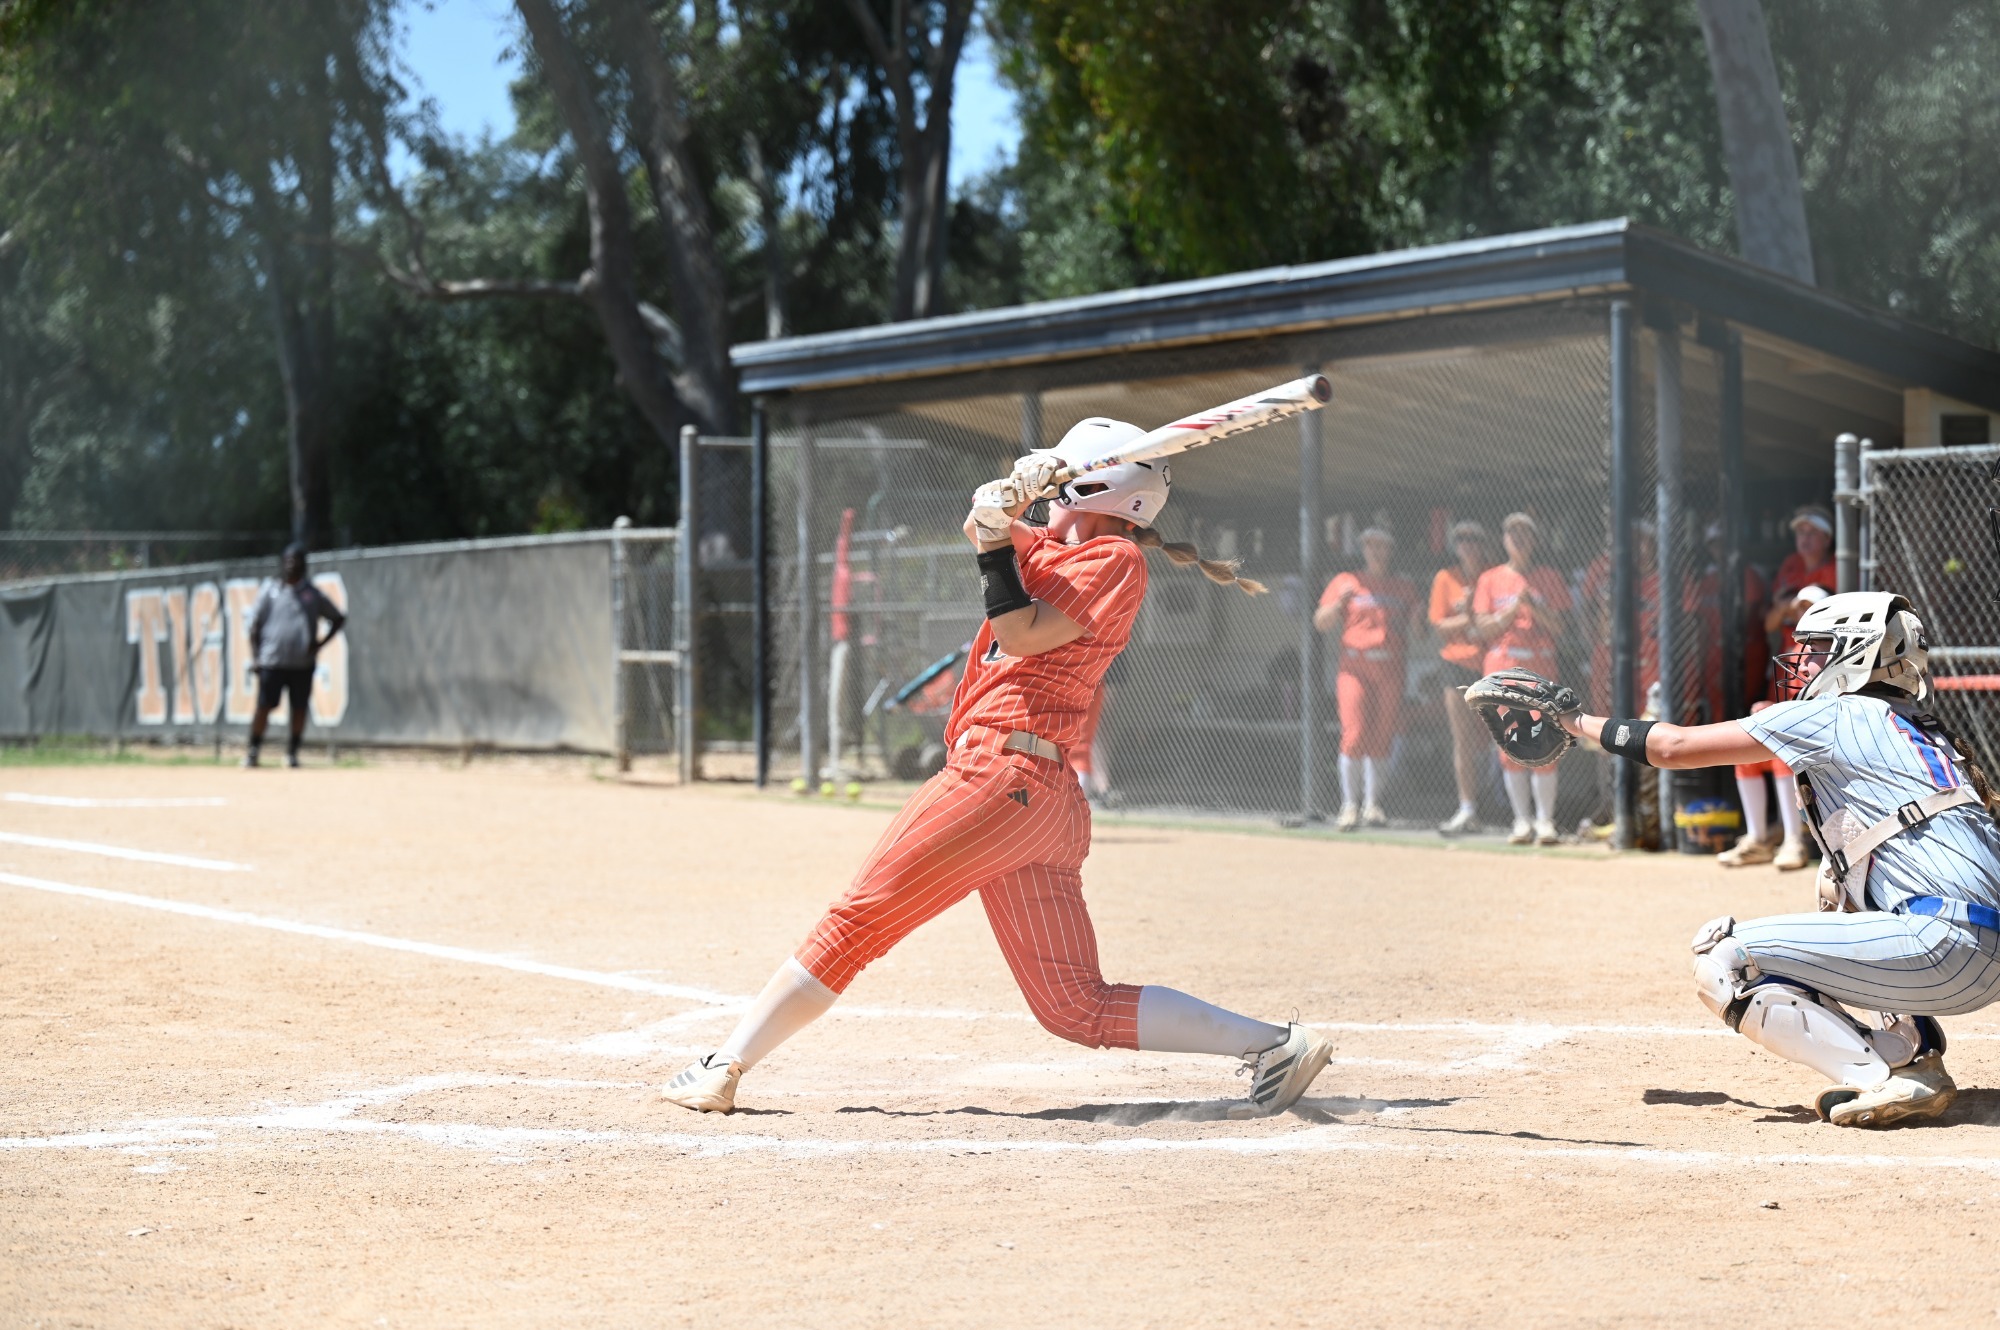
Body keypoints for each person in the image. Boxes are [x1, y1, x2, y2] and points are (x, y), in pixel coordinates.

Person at [660, 417, 1335, 1117]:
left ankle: (723, 1063)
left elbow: (1020, 628)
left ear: (1097, 484)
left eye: (1066, 477)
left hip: (999, 778)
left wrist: (997, 529)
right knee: (1075, 1007)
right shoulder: (1052, 546)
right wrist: (1001, 500)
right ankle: (1277, 1044)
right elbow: (983, 530)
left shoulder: (1115, 561)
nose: (1053, 491)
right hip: (1035, 801)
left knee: (855, 921)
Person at [1543, 591, 2000, 1127]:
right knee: (1837, 880)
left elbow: (1673, 746)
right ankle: (1912, 1048)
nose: (1801, 660)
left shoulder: (1836, 713)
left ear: (1860, 651)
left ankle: (1885, 1078)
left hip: (1942, 950)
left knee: (1723, 960)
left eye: (1817, 647)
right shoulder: (1926, 727)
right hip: (1980, 952)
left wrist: (1574, 722)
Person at [1720, 504, 1837, 870]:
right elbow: (1772, 619)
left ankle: (1792, 840)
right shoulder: (1790, 566)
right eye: (1800, 532)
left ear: (1827, 538)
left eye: (1812, 532)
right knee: (1754, 721)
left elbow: (1798, 614)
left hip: (1821, 697)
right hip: (1789, 685)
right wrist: (1789, 608)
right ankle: (1758, 838)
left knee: (1781, 734)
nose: (1804, 539)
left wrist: (1796, 608)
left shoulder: (1835, 570)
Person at [1473, 512, 1573, 844]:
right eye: (1512, 534)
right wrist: (1512, 611)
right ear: (1504, 540)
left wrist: (1535, 607)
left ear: (1534, 540)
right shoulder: (1489, 579)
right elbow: (1483, 628)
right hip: (1503, 666)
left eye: (1525, 534)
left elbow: (1560, 628)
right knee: (1510, 746)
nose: (1518, 539)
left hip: (1541, 667)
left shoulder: (1549, 576)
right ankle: (1522, 821)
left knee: (1546, 741)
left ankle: (1546, 822)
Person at [1316, 527, 1421, 830]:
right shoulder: (1346, 581)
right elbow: (1320, 622)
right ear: (1362, 549)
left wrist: (1418, 617)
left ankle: (1372, 804)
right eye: (1370, 546)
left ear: (1391, 550)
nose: (1376, 551)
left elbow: (1418, 630)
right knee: (1354, 733)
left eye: (1382, 546)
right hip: (1355, 667)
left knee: (1382, 736)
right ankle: (1349, 805)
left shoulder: (1403, 586)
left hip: (1390, 667)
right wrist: (1338, 604)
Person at [245, 542, 345, 769]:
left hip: (302, 663)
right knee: (264, 706)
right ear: (282, 563)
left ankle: (292, 752)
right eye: (288, 560)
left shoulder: (311, 594)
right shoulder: (270, 591)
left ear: (304, 564)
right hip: (272, 660)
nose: (291, 564)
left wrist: (319, 644)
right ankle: (253, 750)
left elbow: (338, 618)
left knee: (299, 707)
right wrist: (256, 658)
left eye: (296, 560)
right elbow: (254, 627)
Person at [1429, 520, 1495, 835]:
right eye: (1461, 540)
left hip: (1492, 664)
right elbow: (1439, 626)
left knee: (1503, 735)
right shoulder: (1445, 577)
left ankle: (1509, 804)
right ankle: (1467, 807)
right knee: (1463, 739)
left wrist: (1475, 615)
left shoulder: (1494, 576)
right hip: (1456, 663)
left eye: (1473, 539)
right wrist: (1466, 615)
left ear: (1484, 545)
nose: (1467, 544)